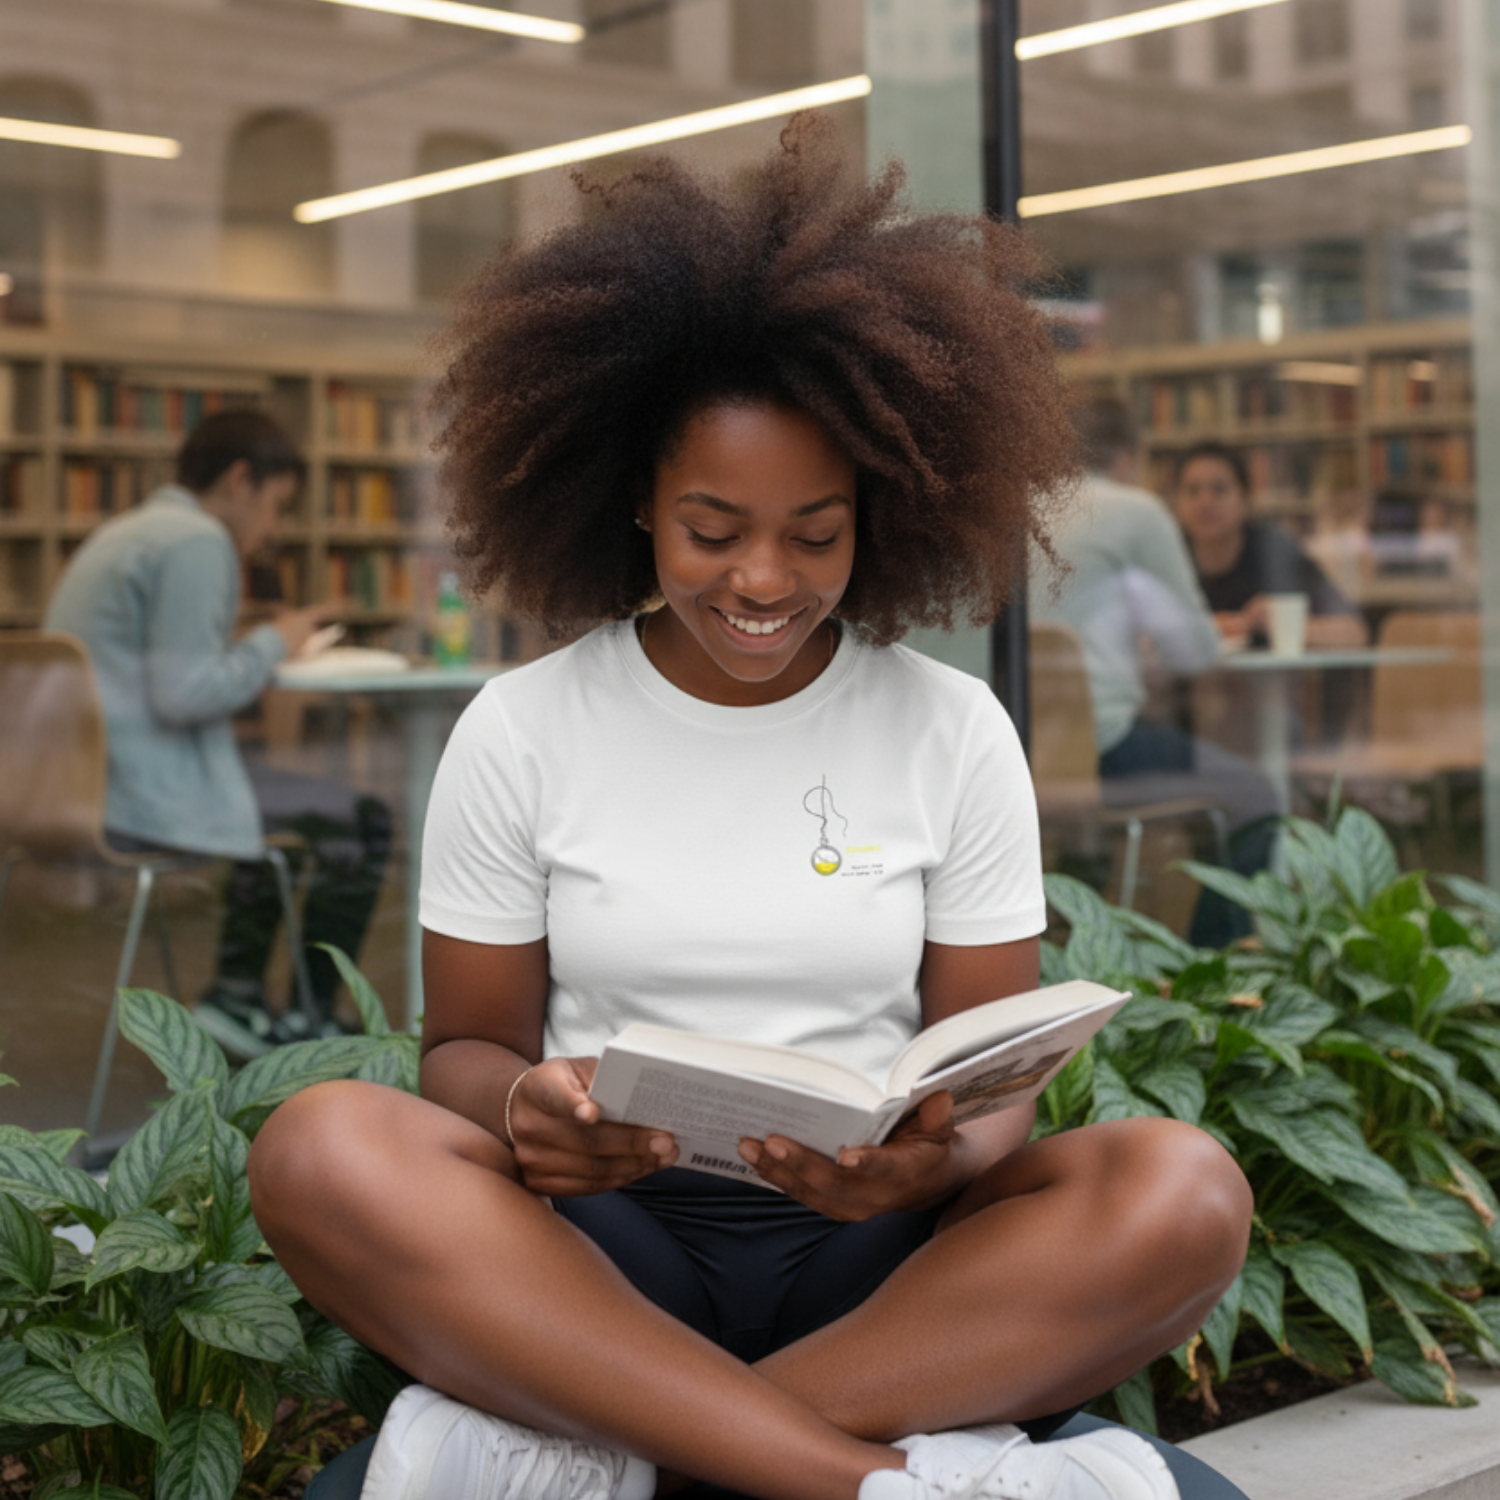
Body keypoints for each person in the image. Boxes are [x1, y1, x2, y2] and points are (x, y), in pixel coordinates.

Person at [247, 120, 1253, 1500]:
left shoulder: (953, 731)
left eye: (817, 533)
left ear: (883, 513)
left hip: (877, 1263)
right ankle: (862, 1481)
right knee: (323, 1147)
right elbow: (469, 1051)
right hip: (604, 1247)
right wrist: (535, 1107)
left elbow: (988, 1084)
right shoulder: (523, 729)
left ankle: (628, 1451)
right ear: (635, 509)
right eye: (713, 531)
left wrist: (930, 1159)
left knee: (1184, 1188)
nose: (764, 579)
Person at [43, 409, 393, 1055]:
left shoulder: (126, 533)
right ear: (239, 480)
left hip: (83, 788)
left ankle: (238, 997)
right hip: (147, 794)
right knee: (362, 820)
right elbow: (184, 695)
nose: (273, 529)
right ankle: (308, 1018)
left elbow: (164, 670)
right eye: (277, 506)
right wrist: (276, 640)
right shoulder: (197, 541)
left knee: (288, 818)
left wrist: (238, 650)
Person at [1030, 399, 1280, 947]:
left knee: (1103, 813)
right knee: (1255, 797)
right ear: (1127, 458)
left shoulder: (1015, 509)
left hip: (1016, 750)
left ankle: (1077, 947)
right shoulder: (1133, 510)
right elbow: (1194, 653)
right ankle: (1208, 967)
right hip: (1102, 746)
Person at [1171, 443, 1368, 649]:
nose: (1205, 502)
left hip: (1270, 681)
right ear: (1176, 501)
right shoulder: (1166, 556)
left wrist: (1282, 623)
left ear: (1246, 499)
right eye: (1192, 491)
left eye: (1219, 490)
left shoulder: (1274, 552)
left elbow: (1354, 632)